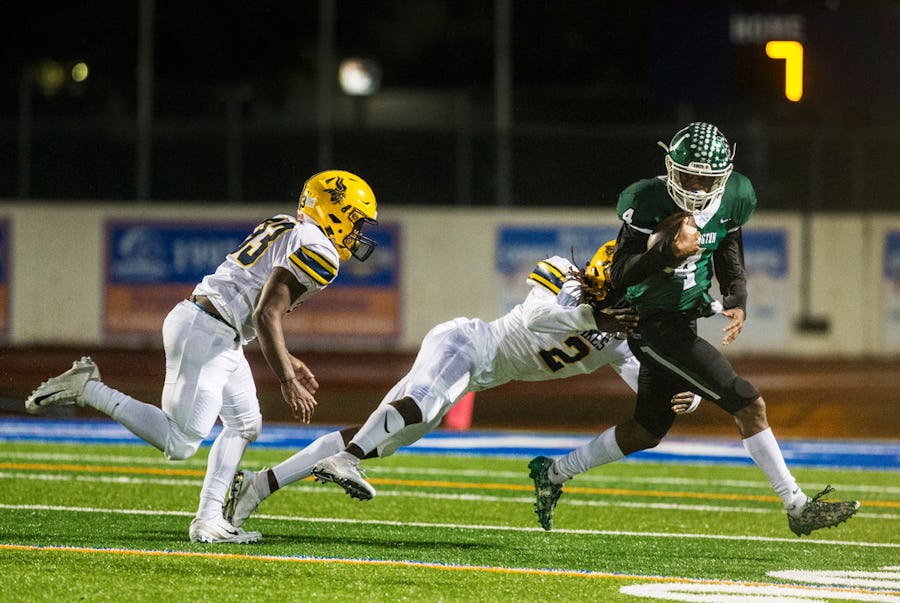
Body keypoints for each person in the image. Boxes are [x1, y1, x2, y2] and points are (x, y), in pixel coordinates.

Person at [529, 122, 860, 537]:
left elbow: (729, 243)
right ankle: (797, 505)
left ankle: (553, 472)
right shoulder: (647, 200)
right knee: (748, 403)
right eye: (689, 177)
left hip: (684, 319)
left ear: (723, 176)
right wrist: (666, 252)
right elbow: (620, 275)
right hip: (652, 323)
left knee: (646, 431)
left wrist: (737, 295)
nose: (698, 188)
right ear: (672, 169)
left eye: (706, 179)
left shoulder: (735, 195)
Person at [224, 243, 688, 530]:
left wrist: (682, 399)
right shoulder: (562, 273)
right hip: (464, 343)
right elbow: (535, 317)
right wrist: (592, 315)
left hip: (475, 375)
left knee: (379, 437)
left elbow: (649, 386)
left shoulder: (626, 338)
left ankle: (259, 486)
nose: (602, 298)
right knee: (421, 407)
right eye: (599, 290)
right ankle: (346, 460)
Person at [25, 169, 379, 544]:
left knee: (245, 424)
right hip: (208, 333)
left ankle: (209, 519)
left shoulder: (287, 225)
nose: (357, 232)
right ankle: (88, 388)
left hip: (215, 329)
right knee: (180, 443)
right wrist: (286, 380)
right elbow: (265, 313)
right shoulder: (320, 250)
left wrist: (286, 358)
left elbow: (255, 300)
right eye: (356, 220)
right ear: (335, 210)